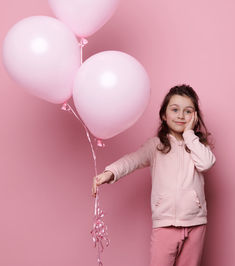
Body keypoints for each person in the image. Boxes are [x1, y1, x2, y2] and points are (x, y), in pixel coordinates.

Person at [92, 84, 216, 266]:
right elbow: (132, 160)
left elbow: (206, 163)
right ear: (164, 115)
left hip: (195, 223)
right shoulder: (156, 146)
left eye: (188, 111)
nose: (181, 116)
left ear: (195, 117)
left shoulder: (197, 146)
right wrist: (110, 172)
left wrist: (190, 134)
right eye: (175, 110)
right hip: (165, 224)